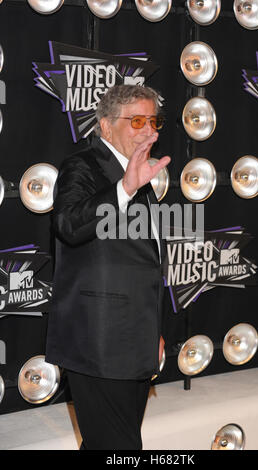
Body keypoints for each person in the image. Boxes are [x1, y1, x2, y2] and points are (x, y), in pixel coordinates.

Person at [45, 84, 171, 450]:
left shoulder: (137, 175)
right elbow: (68, 226)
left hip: (134, 341)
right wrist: (124, 189)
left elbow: (141, 265)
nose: (150, 129)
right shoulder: (83, 166)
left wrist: (153, 333)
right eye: (137, 120)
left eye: (154, 120)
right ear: (105, 126)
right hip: (98, 343)